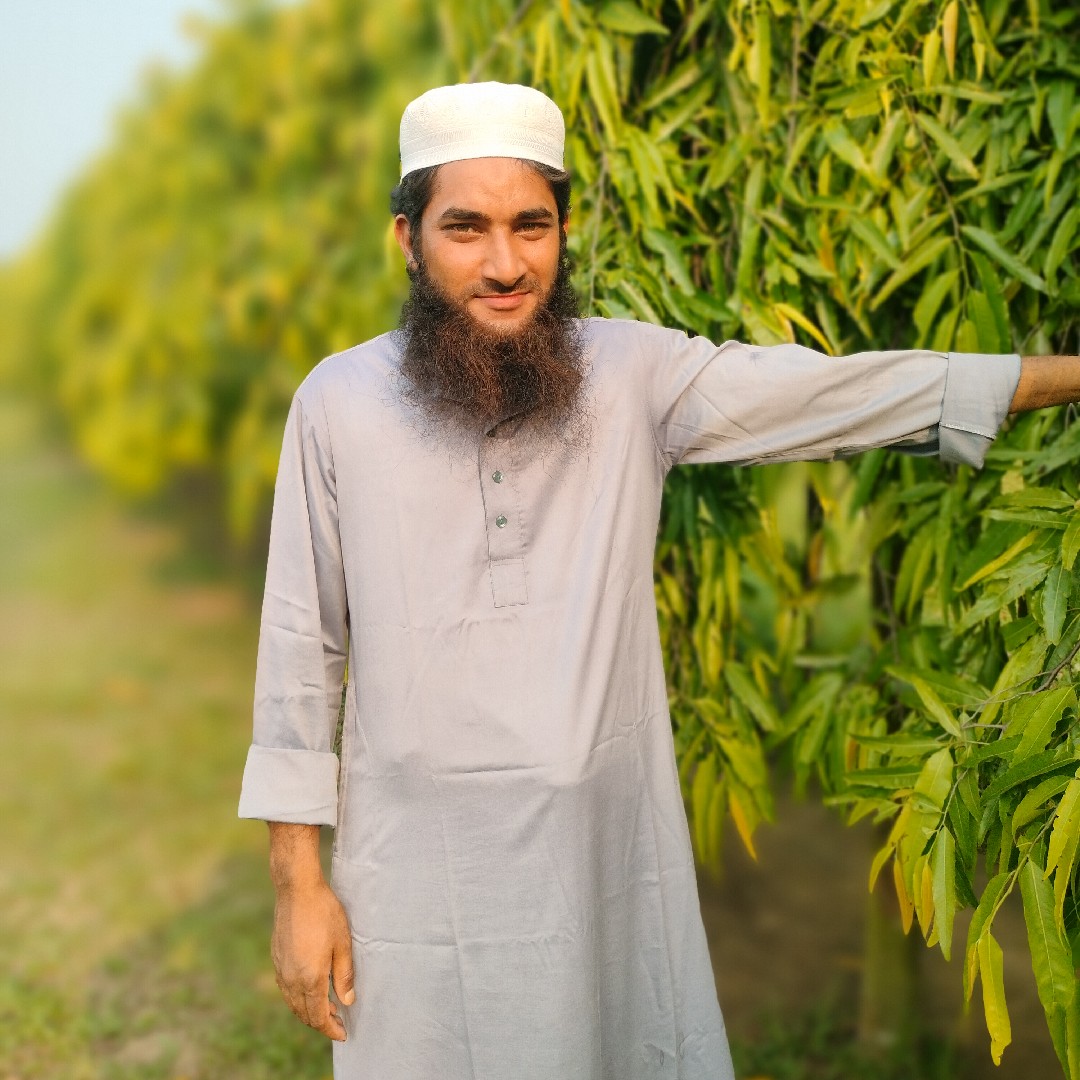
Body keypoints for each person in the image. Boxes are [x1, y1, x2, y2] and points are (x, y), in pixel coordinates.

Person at [238, 82, 1080, 1079]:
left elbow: (836, 395)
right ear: (408, 241)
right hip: (414, 874)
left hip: (603, 859)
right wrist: (297, 886)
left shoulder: (633, 374)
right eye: (465, 228)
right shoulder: (336, 402)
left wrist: (1061, 376)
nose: (504, 264)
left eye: (531, 226)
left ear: (563, 233)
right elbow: (300, 653)